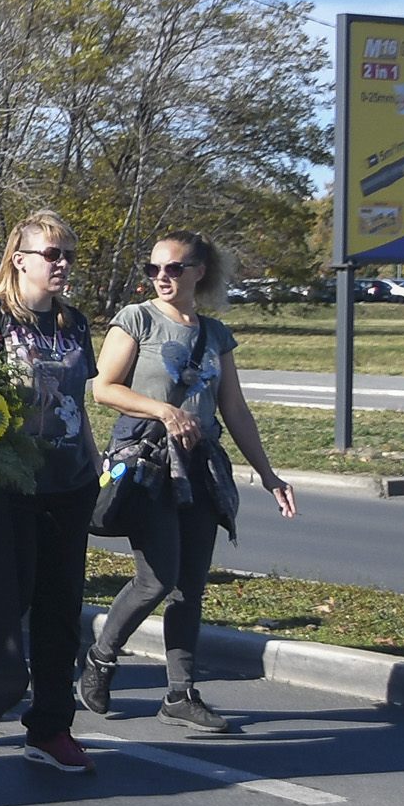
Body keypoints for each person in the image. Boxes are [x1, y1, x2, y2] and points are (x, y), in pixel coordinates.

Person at [83, 231, 297, 733]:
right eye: (154, 268)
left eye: (174, 268)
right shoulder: (137, 319)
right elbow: (103, 389)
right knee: (156, 578)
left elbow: (235, 410)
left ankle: (180, 694)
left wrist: (269, 475)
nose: (162, 276)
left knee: (189, 587)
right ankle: (100, 658)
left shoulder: (215, 334)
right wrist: (165, 411)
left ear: (199, 272)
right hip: (149, 465)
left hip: (200, 468)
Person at [0, 212, 101, 772]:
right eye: (52, 254)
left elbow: (77, 403)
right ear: (19, 259)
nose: (62, 264)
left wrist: (94, 464)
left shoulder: (74, 321)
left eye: (69, 255)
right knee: (0, 606)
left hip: (69, 484)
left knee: (60, 611)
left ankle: (50, 728)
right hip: (9, 485)